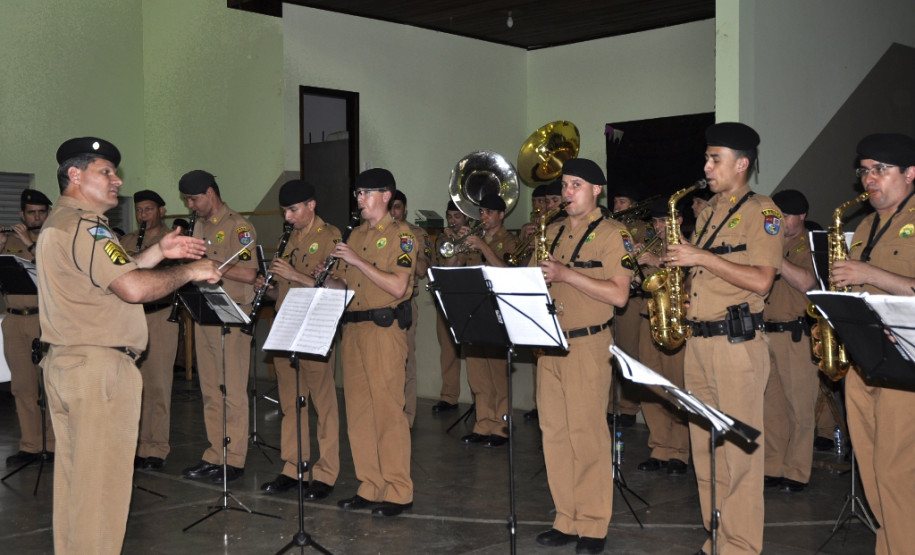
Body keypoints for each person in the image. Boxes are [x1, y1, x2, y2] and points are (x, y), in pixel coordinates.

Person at [38, 137, 220, 554]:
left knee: (76, 488)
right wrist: (190, 270)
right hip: (99, 371)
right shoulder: (90, 226)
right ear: (75, 175)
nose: (117, 180)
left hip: (68, 365)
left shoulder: (61, 223)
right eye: (107, 171)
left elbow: (109, 275)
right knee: (101, 494)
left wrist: (158, 250)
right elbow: (133, 289)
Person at [666, 122, 784, 555]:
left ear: (742, 163)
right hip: (698, 344)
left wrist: (700, 255)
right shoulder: (711, 210)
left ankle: (740, 546)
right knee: (705, 452)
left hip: (737, 347)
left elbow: (762, 282)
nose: (706, 166)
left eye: (715, 159)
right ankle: (715, 540)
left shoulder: (763, 212)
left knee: (738, 456)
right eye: (707, 157)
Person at [532, 158, 631, 555]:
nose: (567, 192)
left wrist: (566, 274)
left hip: (588, 345)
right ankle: (566, 518)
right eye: (565, 185)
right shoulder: (551, 231)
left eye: (576, 185)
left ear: (596, 191)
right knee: (553, 434)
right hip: (551, 343)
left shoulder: (613, 233)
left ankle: (593, 524)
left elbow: (619, 295)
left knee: (586, 434)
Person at [831, 132, 915, 555]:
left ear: (910, 173)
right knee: (872, 468)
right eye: (864, 171)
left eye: (880, 169)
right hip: (863, 361)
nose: (869, 179)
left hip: (906, 364)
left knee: (897, 470)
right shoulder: (863, 225)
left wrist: (875, 275)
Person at [321, 168, 416, 518]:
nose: (358, 199)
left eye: (365, 193)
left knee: (388, 410)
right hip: (354, 330)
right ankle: (369, 484)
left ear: (386, 196)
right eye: (357, 193)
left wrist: (356, 261)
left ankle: (398, 490)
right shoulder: (355, 234)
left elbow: (398, 287)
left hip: (384, 331)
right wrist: (327, 278)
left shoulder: (401, 236)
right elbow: (346, 287)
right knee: (358, 412)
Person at [255, 179, 342, 500]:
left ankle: (326, 472)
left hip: (315, 326)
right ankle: (294, 467)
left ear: (311, 205)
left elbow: (335, 289)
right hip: (286, 326)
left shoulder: (331, 237)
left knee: (323, 403)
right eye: (284, 211)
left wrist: (293, 275)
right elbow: (285, 288)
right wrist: (267, 289)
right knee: (291, 404)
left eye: (293, 210)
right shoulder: (288, 238)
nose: (287, 217)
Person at [178, 169, 258, 484]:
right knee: (210, 390)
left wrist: (212, 266)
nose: (190, 204)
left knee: (233, 391)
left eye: (194, 198)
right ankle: (215, 454)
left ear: (210, 193)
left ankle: (234, 459)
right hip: (205, 313)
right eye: (186, 199)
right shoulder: (198, 225)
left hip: (232, 317)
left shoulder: (239, 227)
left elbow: (251, 274)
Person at [761, 189, 819, 493]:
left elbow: (808, 283)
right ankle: (773, 465)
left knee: (800, 408)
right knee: (772, 407)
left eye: (785, 216)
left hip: (796, 335)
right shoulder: (772, 244)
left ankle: (797, 471)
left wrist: (773, 258)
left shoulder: (808, 244)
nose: (779, 221)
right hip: (767, 331)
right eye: (776, 216)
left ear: (802, 216)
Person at [120, 190, 181, 471]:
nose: (143, 215)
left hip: (159, 315)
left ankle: (156, 447)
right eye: (139, 210)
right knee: (133, 386)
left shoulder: (171, 239)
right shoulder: (127, 240)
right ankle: (136, 446)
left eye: (149, 209)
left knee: (158, 384)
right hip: (131, 317)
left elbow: (167, 274)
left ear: (162, 210)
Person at [633, 198, 690, 476]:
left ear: (677, 221)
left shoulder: (687, 247)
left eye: (663, 221)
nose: (658, 227)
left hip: (675, 323)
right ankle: (660, 448)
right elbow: (641, 283)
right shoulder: (652, 245)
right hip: (650, 320)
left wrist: (656, 261)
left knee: (676, 386)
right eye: (654, 222)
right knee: (652, 386)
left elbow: (688, 280)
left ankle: (680, 451)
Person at [459, 193, 518, 448]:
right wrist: (456, 244)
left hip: (497, 311)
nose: (484, 217)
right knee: (477, 373)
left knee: (497, 373)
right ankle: (482, 424)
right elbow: (453, 266)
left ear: (501, 215)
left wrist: (483, 247)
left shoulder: (511, 241)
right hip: (473, 309)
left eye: (489, 212)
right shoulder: (473, 240)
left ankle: (501, 427)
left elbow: (507, 273)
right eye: (481, 212)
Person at [2, 189, 54, 467]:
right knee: (22, 387)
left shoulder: (54, 239)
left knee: (50, 385)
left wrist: (30, 244)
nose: (36, 217)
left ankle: (54, 444)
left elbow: (56, 275)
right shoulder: (7, 240)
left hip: (43, 319)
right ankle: (30, 445)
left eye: (41, 212)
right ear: (22, 214)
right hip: (13, 320)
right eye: (31, 212)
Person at [388, 190, 431, 428]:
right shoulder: (378, 234)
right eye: (390, 208)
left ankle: (407, 418)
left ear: (404, 209)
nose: (393, 213)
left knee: (407, 363)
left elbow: (423, 269)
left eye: (397, 207)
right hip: (379, 304)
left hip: (404, 303)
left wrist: (409, 251)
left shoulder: (415, 234)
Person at [609, 184, 650, 428]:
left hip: (633, 299)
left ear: (633, 205)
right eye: (615, 202)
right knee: (612, 355)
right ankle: (612, 405)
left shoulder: (642, 229)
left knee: (629, 353)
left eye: (622, 202)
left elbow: (638, 256)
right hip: (610, 295)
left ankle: (629, 408)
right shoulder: (612, 227)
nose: (616, 206)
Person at [430, 200, 470, 413]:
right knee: (448, 350)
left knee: (475, 354)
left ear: (467, 219)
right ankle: (449, 396)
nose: (453, 221)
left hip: (471, 299)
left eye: (457, 216)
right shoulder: (442, 240)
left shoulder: (476, 239)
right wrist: (453, 242)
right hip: (447, 300)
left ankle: (480, 400)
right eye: (450, 216)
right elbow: (444, 266)